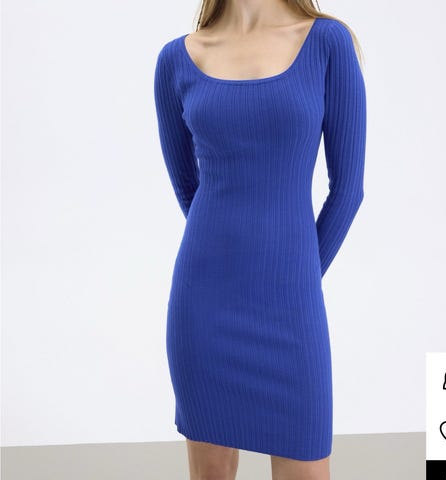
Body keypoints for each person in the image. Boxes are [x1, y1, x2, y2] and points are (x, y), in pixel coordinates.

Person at [153, 0, 367, 479]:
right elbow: (189, 189)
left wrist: (294, 278)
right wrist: (244, 261)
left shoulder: (326, 43)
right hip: (204, 306)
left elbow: (348, 191)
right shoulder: (176, 59)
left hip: (292, 308)